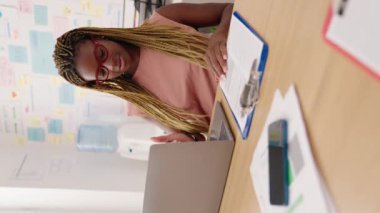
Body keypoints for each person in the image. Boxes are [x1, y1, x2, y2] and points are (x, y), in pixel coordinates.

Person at [53, 3, 233, 142]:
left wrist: (220, 34)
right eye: (101, 72)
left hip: (249, 71)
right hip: (239, 123)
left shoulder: (163, 20)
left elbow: (228, 9)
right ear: (100, 83)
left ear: (100, 36)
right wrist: (188, 142)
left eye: (101, 53)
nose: (111, 65)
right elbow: (200, 139)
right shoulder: (143, 107)